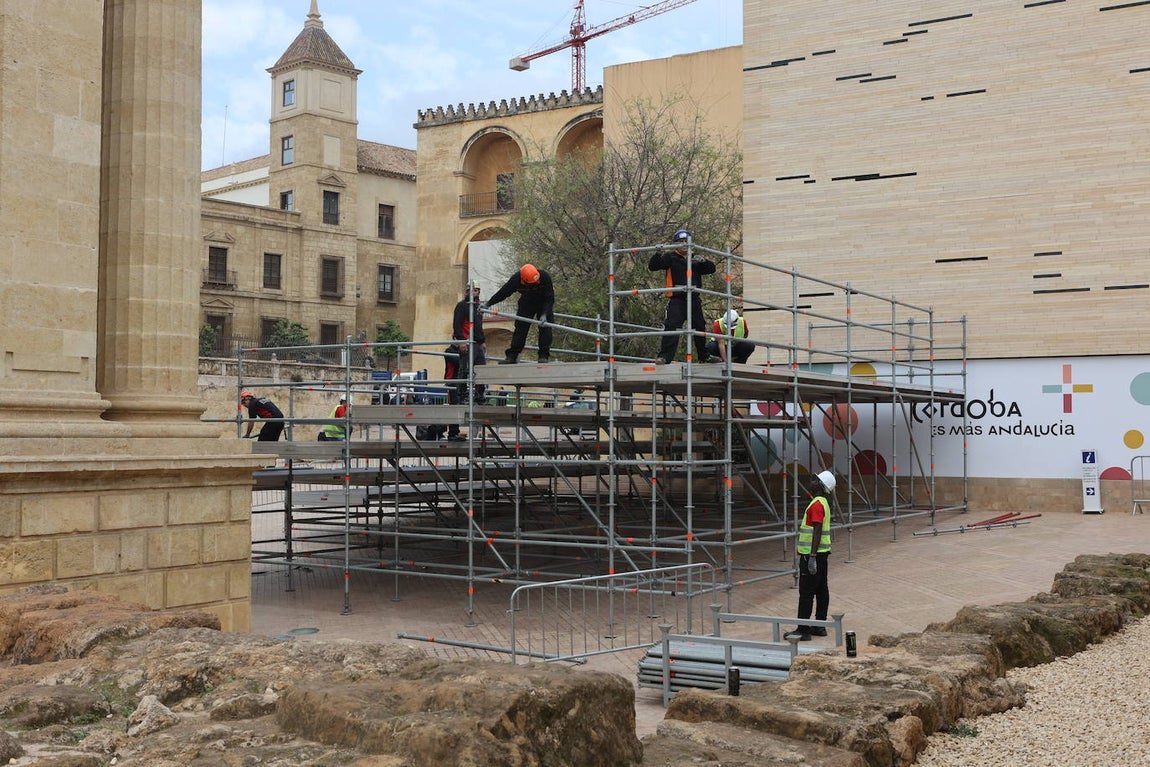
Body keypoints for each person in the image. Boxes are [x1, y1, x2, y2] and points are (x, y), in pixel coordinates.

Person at [648, 229, 717, 364]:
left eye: (686, 241)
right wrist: (657, 254)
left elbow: (711, 269)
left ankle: (704, 356)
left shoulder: (695, 258)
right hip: (677, 299)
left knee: (699, 327)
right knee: (672, 326)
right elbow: (653, 266)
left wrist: (703, 261)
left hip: (694, 299)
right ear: (675, 244)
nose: (684, 244)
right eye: (680, 241)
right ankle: (665, 357)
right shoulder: (670, 257)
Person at [785, 470, 836, 641]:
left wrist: (812, 556)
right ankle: (820, 626)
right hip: (822, 554)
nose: (811, 481)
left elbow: (817, 530)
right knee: (821, 589)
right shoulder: (823, 502)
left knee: (806, 592)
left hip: (812, 555)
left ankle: (803, 629)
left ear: (821, 486)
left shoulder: (817, 504)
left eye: (815, 480)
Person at [442, 281, 487, 441]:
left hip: (475, 343)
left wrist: (482, 341)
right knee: (465, 370)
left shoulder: (477, 308)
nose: (473, 293)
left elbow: (479, 326)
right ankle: (453, 431)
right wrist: (462, 340)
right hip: (454, 380)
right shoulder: (462, 306)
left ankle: (479, 395)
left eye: (475, 290)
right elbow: (457, 324)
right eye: (470, 290)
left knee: (481, 370)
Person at [486, 263, 555, 364]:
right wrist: (488, 303)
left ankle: (543, 356)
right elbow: (503, 293)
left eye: (537, 282)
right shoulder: (516, 279)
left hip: (544, 302)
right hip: (527, 302)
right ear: (524, 280)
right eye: (533, 283)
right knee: (520, 328)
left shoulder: (544, 276)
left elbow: (550, 298)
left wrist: (544, 314)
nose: (537, 283)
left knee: (546, 327)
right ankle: (512, 356)